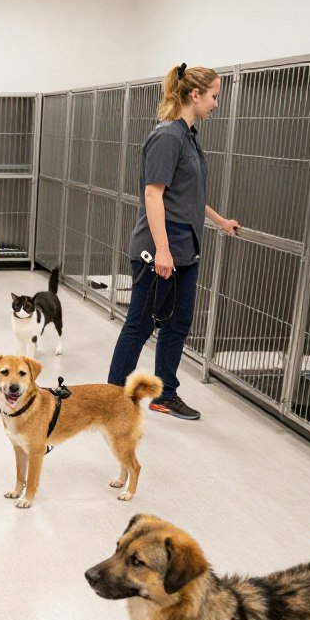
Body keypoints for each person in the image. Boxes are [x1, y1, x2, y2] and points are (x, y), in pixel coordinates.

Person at [106, 63, 241, 421]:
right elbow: (154, 195)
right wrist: (162, 251)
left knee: (178, 323)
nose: (216, 103)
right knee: (140, 323)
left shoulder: (189, 136)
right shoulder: (168, 136)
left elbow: (189, 195)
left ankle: (164, 394)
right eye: (214, 96)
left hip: (186, 249)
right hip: (159, 250)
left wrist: (219, 221)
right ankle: (112, 397)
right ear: (195, 95)